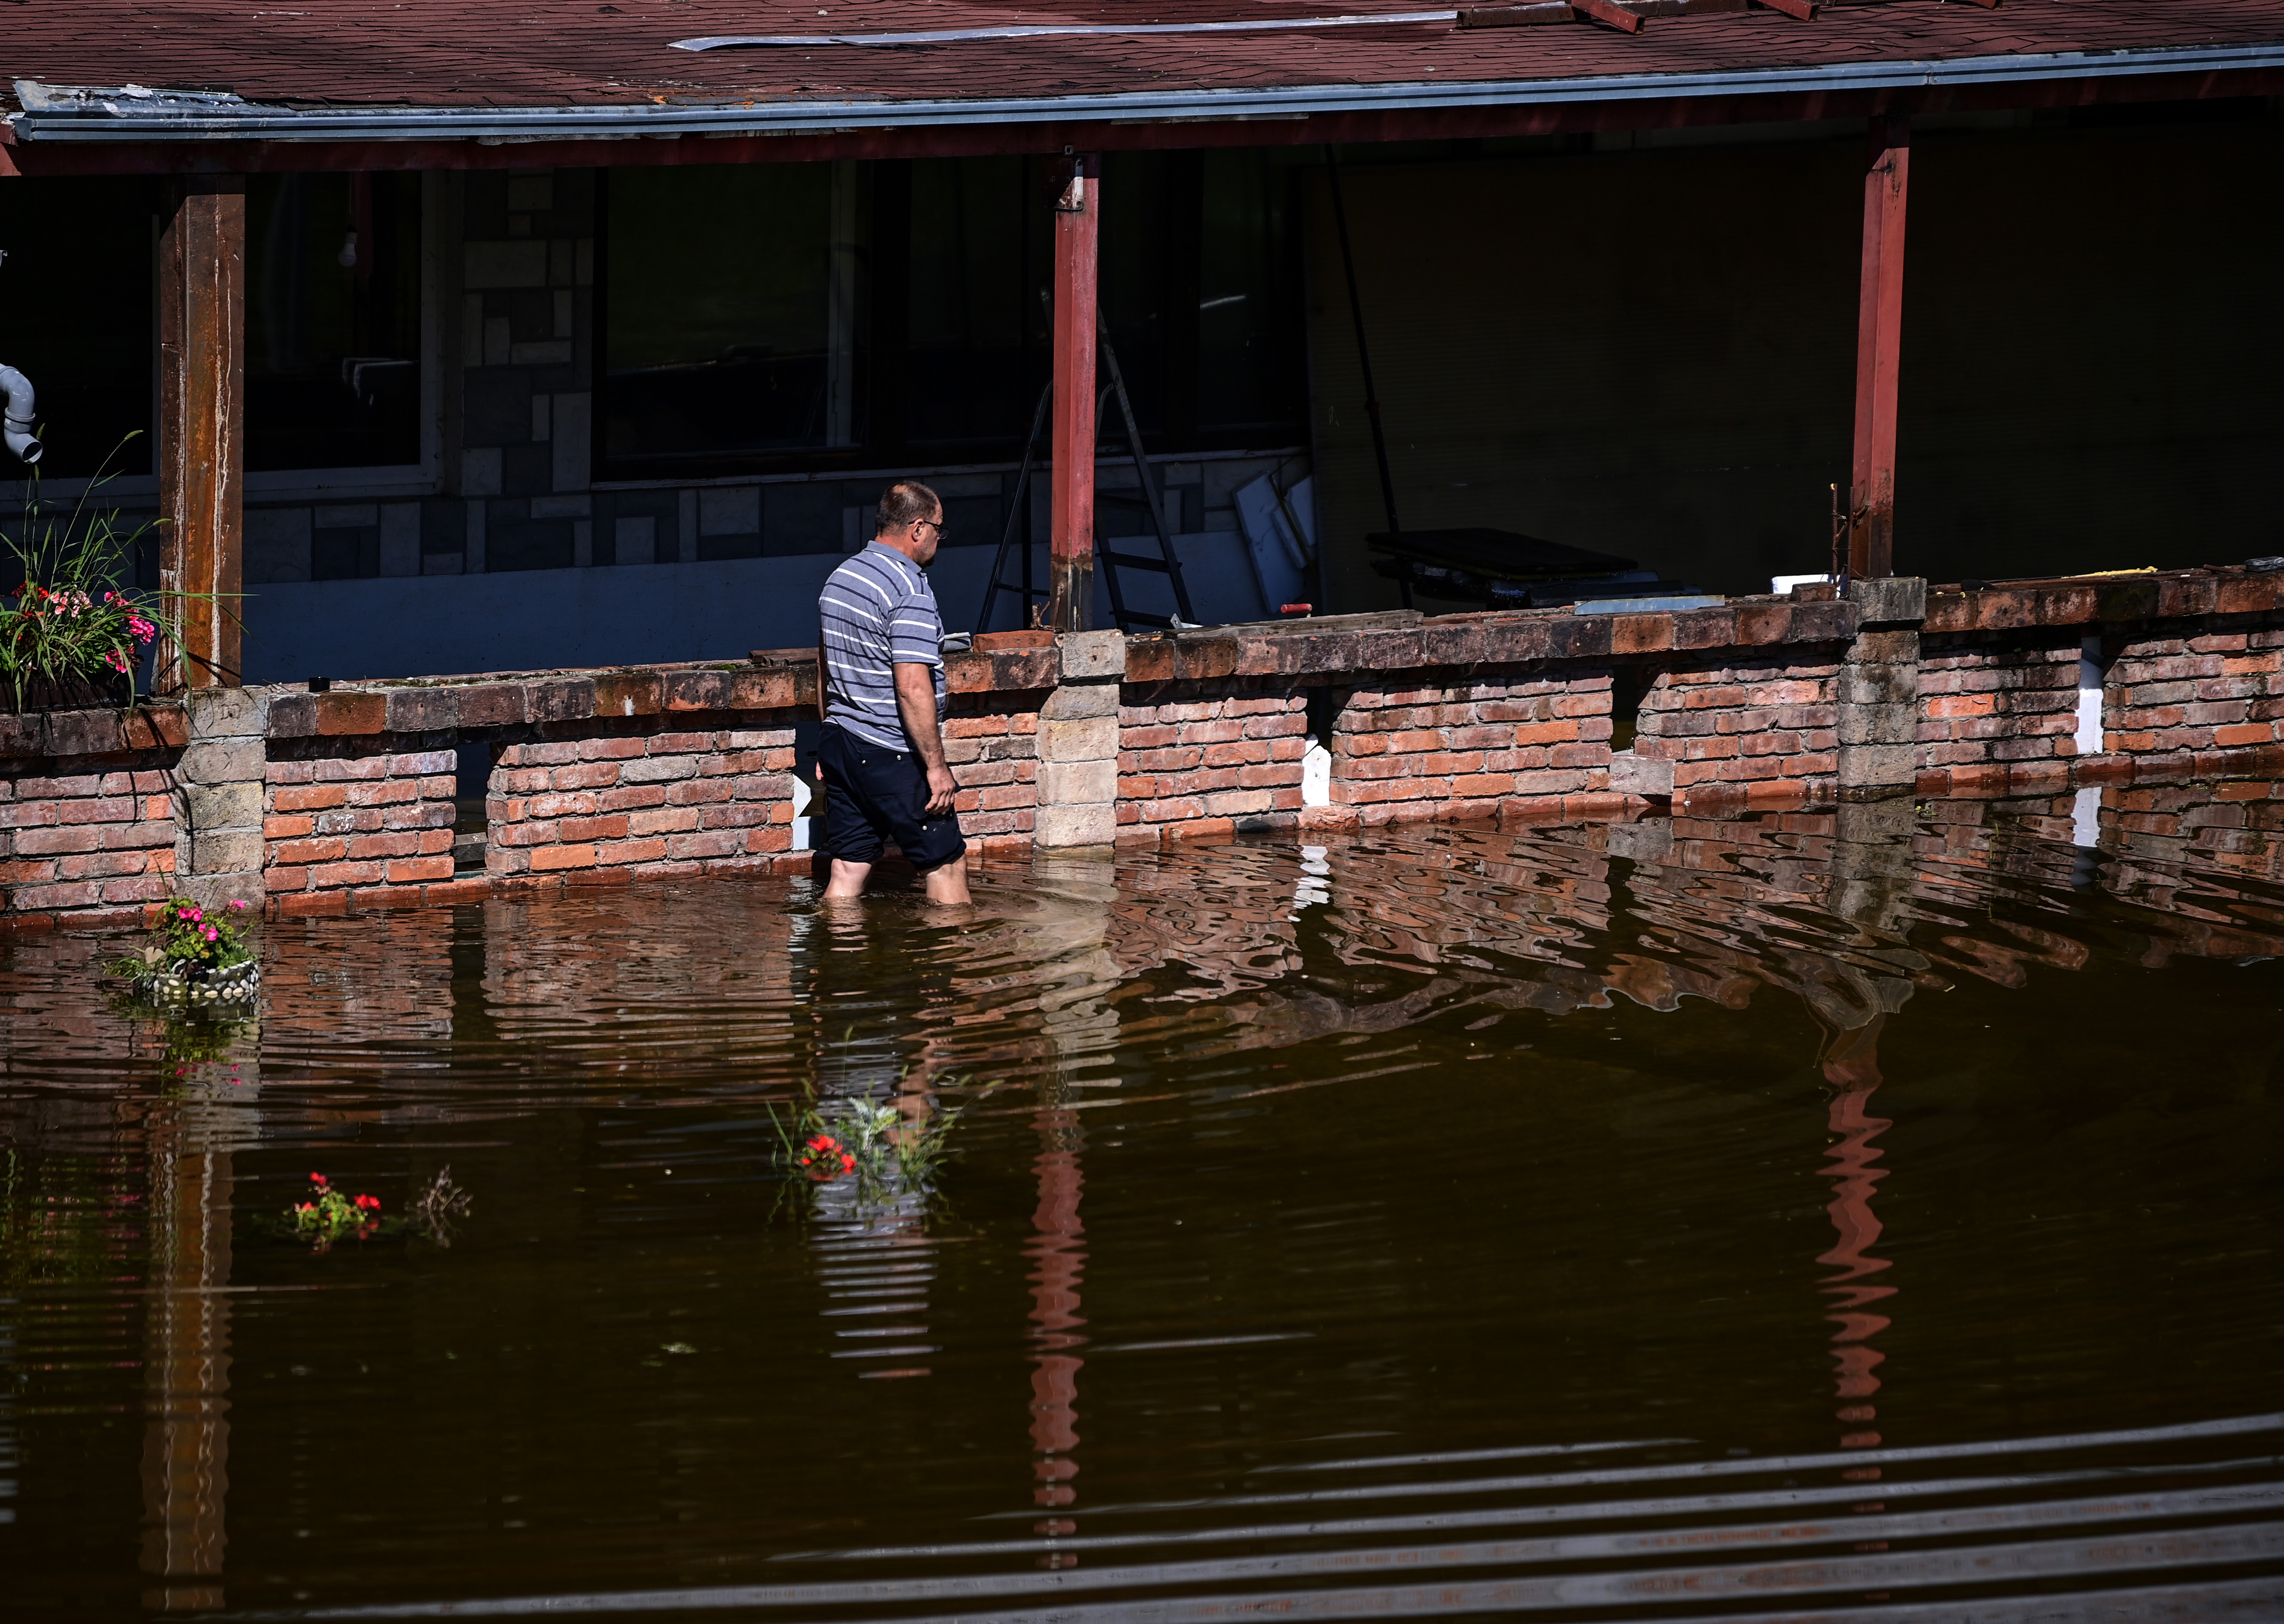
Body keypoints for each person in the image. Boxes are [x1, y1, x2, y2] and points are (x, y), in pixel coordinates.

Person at [815, 480, 972, 905]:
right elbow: (912, 685)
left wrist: (828, 736)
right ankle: (952, 963)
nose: (941, 538)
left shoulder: (842, 576)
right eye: (940, 529)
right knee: (947, 864)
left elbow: (825, 665)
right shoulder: (909, 589)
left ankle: (838, 962)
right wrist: (937, 769)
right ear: (918, 528)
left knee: (848, 867)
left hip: (842, 745)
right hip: (891, 750)